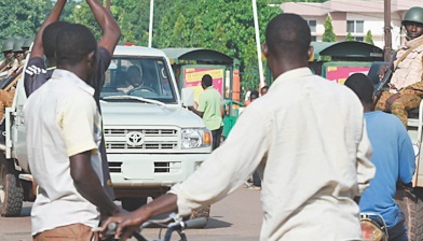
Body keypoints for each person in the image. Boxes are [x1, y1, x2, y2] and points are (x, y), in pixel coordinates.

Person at [102, 13, 375, 241]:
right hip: (345, 231)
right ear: (310, 52)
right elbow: (363, 173)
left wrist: (141, 214)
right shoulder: (346, 100)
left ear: (265, 51)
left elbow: (218, 175)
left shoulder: (266, 109)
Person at [24, 0, 122, 200]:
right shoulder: (87, 82)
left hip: (46, 210)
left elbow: (38, 45)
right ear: (89, 58)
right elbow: (112, 31)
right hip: (82, 211)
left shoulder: (35, 85)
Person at [24, 23, 124, 240]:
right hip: (76, 223)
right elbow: (80, 172)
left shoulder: (37, 98)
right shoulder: (78, 99)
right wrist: (114, 210)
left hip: (45, 222)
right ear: (91, 58)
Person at [345, 73, 415, 241]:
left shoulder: (334, 125)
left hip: (344, 219)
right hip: (384, 220)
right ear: (374, 97)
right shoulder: (394, 124)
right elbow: (407, 175)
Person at [375, 6, 423, 127]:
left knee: (397, 105)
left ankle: (401, 140)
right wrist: (387, 68)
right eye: (410, 24)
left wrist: (401, 94)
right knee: (371, 100)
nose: (413, 28)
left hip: (415, 97)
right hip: (395, 92)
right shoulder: (403, 49)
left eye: (418, 25)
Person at [195, 74, 224, 150]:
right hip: (219, 125)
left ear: (203, 84)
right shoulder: (217, 93)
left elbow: (200, 113)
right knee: (216, 150)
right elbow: (222, 111)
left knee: (208, 150)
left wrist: (191, 109)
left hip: (209, 127)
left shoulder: (204, 95)